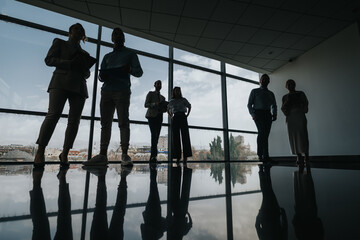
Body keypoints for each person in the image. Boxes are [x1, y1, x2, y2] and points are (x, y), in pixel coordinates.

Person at [33, 23, 95, 168]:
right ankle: (40, 151)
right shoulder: (59, 42)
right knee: (53, 115)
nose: (79, 31)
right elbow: (49, 60)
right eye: (76, 29)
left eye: (81, 30)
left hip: (79, 86)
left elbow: (87, 73)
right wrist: (69, 63)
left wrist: (84, 69)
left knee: (74, 121)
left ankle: (65, 152)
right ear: (70, 32)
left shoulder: (85, 54)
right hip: (60, 82)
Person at [83, 27, 143, 166]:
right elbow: (100, 76)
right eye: (114, 34)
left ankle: (125, 155)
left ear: (124, 38)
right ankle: (103, 155)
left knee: (123, 122)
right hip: (106, 91)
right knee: (105, 124)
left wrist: (128, 69)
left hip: (122, 90)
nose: (117, 36)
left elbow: (139, 72)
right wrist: (102, 76)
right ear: (111, 38)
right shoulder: (107, 57)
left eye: (120, 34)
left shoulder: (131, 54)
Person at [247, 74, 277, 162]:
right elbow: (249, 104)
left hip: (268, 114)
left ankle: (265, 156)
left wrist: (274, 114)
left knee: (265, 135)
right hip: (258, 114)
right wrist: (253, 114)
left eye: (266, 79)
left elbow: (274, 105)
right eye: (263, 79)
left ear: (269, 81)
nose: (264, 80)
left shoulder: (271, 93)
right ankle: (261, 155)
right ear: (260, 81)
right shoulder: (254, 91)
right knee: (261, 133)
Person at [281, 79, 309, 165]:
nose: (290, 85)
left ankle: (306, 156)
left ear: (295, 85)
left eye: (291, 84)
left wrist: (301, 105)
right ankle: (298, 155)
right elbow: (283, 108)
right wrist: (288, 102)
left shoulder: (300, 93)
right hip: (291, 117)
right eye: (288, 84)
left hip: (300, 115)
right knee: (293, 136)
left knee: (303, 135)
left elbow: (306, 103)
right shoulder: (285, 97)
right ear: (286, 86)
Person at [167, 87, 192, 166]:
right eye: (176, 91)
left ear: (180, 91)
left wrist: (187, 114)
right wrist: (171, 116)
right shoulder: (171, 101)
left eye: (178, 91)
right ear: (173, 92)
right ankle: (177, 157)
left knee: (185, 136)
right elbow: (167, 108)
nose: (177, 92)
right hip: (176, 117)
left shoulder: (183, 99)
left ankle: (185, 157)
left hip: (183, 117)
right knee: (176, 137)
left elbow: (189, 106)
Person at [144, 80, 167, 164]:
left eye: (160, 84)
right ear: (154, 85)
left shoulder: (163, 98)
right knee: (154, 135)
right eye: (158, 84)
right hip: (152, 117)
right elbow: (146, 104)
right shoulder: (150, 94)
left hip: (159, 117)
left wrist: (165, 108)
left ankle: (153, 157)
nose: (159, 85)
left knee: (156, 137)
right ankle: (153, 157)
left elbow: (164, 109)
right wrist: (155, 104)